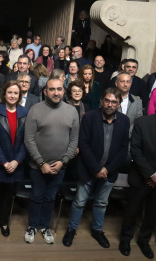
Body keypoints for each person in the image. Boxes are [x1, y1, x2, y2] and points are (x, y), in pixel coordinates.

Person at [63, 87, 129, 248]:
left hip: (109, 172)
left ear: (119, 104)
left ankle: (97, 230)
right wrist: (96, 169)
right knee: (79, 202)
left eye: (114, 102)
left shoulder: (124, 121)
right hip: (88, 169)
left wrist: (107, 169)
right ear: (101, 101)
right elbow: (83, 144)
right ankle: (72, 229)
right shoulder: (89, 117)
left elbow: (123, 149)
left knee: (102, 203)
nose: (110, 104)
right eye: (107, 100)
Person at [24, 78, 79, 244]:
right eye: (52, 89)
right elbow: (29, 140)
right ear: (45, 91)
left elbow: (74, 141)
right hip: (37, 166)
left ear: (63, 91)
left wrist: (63, 161)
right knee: (36, 197)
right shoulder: (35, 110)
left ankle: (44, 226)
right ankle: (32, 225)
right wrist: (41, 163)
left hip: (60, 167)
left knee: (50, 198)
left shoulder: (72, 111)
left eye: (59, 89)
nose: (56, 92)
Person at [0, 80, 28, 237]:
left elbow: (27, 140)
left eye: (15, 93)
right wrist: (4, 161)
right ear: (4, 94)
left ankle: (4, 222)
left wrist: (16, 161)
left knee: (9, 195)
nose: (12, 95)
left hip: (16, 162)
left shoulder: (25, 112)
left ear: (19, 96)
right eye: (9, 92)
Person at [119, 109, 156, 259]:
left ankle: (144, 241)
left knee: (152, 213)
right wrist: (152, 175)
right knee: (132, 211)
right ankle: (125, 239)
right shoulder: (142, 122)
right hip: (140, 177)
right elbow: (135, 150)